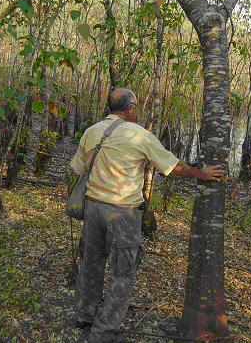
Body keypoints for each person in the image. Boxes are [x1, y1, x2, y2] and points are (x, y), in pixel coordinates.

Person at [70, 88, 225, 343]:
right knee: (123, 272)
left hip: (93, 208)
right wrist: (202, 173)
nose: (137, 110)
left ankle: (85, 315)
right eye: (136, 106)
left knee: (91, 264)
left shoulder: (92, 131)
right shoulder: (140, 135)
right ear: (129, 108)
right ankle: (104, 332)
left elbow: (78, 167)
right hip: (122, 213)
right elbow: (173, 166)